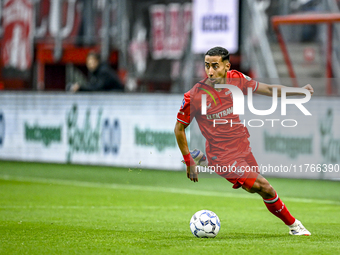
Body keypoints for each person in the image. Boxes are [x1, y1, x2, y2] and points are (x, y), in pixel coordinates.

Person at [174, 46, 314, 236]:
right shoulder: (196, 95)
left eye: (215, 66)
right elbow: (179, 128)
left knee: (261, 191)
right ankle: (295, 226)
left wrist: (299, 91)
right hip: (223, 156)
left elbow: (269, 89)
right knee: (265, 186)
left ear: (227, 66)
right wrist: (188, 161)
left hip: (242, 146)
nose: (210, 71)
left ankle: (205, 160)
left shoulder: (237, 79)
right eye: (207, 66)